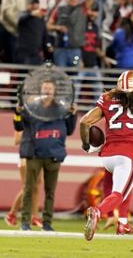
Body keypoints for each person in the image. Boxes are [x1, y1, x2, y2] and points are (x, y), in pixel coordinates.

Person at [80, 70, 133, 241]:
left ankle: (122, 223)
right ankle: (98, 212)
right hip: (127, 155)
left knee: (124, 187)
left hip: (107, 156)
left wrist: (87, 144)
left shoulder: (108, 99)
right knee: (119, 193)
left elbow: (84, 122)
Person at [17, 79, 77, 231]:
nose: (47, 91)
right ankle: (25, 222)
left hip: (54, 155)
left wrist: (73, 115)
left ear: (54, 91)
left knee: (50, 192)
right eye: (45, 88)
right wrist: (18, 113)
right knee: (28, 189)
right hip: (34, 154)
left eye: (50, 88)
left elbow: (69, 130)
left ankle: (47, 223)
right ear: (40, 90)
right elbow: (18, 125)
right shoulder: (31, 108)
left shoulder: (62, 110)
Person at [4, 130, 43, 228]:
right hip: (26, 157)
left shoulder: (40, 119)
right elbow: (16, 140)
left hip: (38, 156)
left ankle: (35, 216)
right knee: (28, 187)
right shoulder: (22, 122)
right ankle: (12, 214)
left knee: (37, 186)